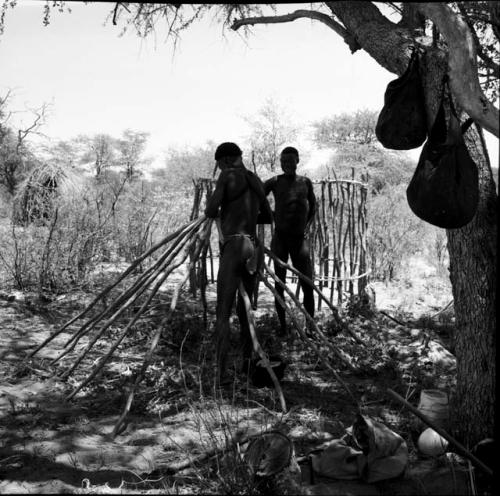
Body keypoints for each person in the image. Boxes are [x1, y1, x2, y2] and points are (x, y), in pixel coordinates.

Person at [204, 142, 272, 383]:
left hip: (234, 246)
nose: (220, 167)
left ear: (225, 160)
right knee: (245, 311)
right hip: (253, 248)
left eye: (220, 164)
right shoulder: (254, 180)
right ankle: (247, 365)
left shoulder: (227, 176)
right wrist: (245, 216)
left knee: (222, 311)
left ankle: (221, 374)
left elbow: (210, 211)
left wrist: (225, 211)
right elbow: (267, 215)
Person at [264, 146, 316, 336]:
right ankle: (283, 327)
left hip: (299, 240)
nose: (286, 164)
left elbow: (313, 207)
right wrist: (271, 214)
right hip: (280, 239)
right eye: (283, 161)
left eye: (290, 161)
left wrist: (306, 226)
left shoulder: (305, 182)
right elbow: (259, 195)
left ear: (297, 161)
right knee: (279, 283)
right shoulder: (275, 182)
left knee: (308, 283)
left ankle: (310, 327)